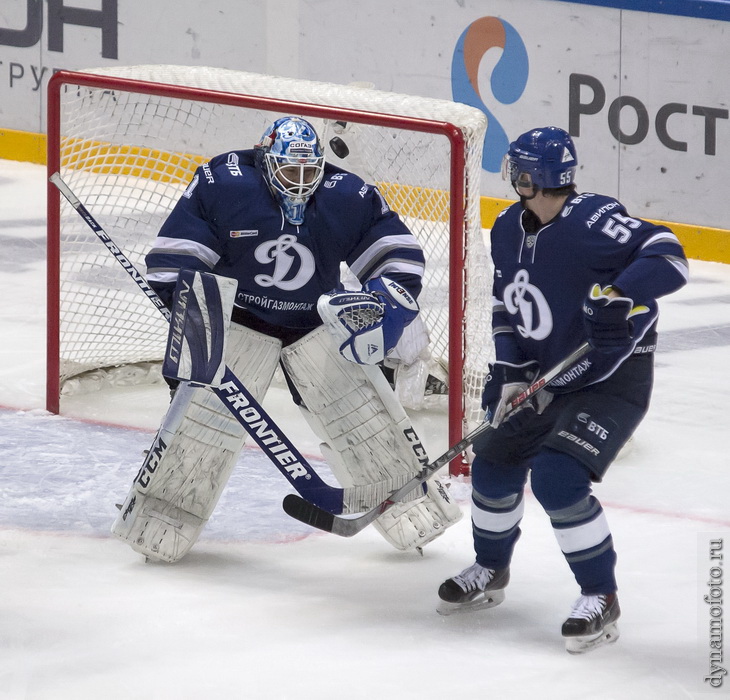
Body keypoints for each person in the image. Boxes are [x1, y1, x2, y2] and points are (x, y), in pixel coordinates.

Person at [110, 116, 461, 562]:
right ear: (265, 161)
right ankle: (159, 520)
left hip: (315, 324)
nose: (300, 183)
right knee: (199, 426)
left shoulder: (345, 194)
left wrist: (384, 301)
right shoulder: (226, 182)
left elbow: (397, 255)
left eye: (308, 172)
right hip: (238, 322)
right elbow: (174, 259)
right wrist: (194, 309)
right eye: (289, 171)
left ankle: (414, 513)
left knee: (368, 422)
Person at [436, 126, 688, 653]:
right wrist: (509, 373)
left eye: (517, 172)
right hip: (541, 374)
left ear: (529, 177)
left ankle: (601, 595)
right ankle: (490, 568)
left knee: (557, 477)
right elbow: (507, 306)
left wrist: (621, 293)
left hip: (610, 380)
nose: (511, 180)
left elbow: (668, 253)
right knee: (493, 462)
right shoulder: (507, 226)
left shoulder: (594, 220)